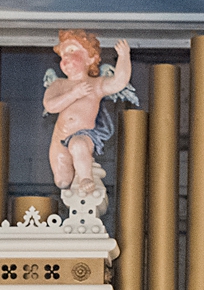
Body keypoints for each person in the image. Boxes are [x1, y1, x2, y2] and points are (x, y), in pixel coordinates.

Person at [45, 30, 137, 200]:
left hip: (84, 134)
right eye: (63, 54)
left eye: (72, 51)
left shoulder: (95, 84)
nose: (66, 57)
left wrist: (124, 56)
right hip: (59, 137)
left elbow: (118, 82)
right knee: (62, 181)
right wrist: (74, 93)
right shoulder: (59, 84)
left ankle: (85, 177)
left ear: (91, 58)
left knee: (78, 145)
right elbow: (51, 106)